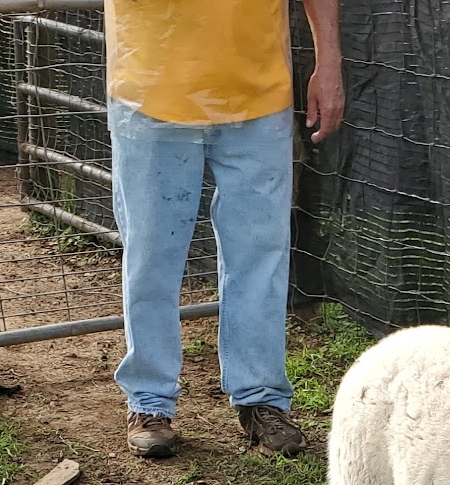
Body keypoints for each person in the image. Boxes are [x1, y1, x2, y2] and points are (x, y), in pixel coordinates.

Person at [104, 0, 344, 459]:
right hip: (151, 91)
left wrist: (329, 62)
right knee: (151, 255)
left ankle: (261, 397)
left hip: (259, 93)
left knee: (261, 254)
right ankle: (149, 400)